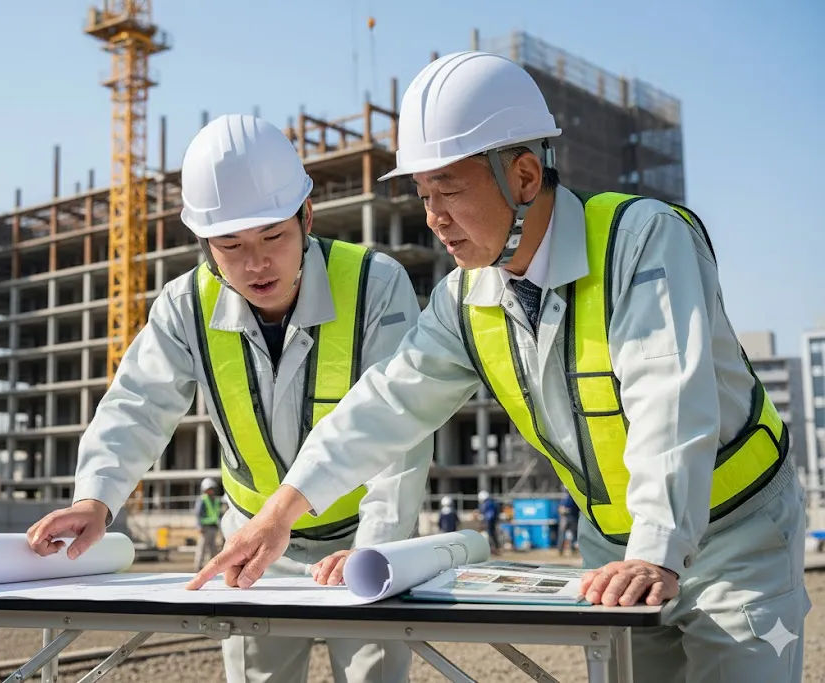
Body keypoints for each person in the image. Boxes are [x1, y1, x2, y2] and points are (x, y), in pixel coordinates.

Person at [188, 53, 810, 683]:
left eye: (450, 189)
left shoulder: (642, 241)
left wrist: (656, 552)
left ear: (524, 175)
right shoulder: (466, 298)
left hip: (737, 534)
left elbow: (669, 400)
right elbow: (383, 404)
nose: (434, 218)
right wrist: (279, 514)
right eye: (424, 194)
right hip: (612, 552)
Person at [26, 113, 431, 683]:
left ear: (306, 217)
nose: (256, 263)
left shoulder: (375, 284)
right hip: (252, 545)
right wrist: (96, 497)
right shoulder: (184, 306)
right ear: (205, 243)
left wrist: (376, 550)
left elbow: (400, 427)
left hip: (361, 537)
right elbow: (137, 405)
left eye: (273, 237)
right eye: (231, 245)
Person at [194, 477, 223, 571]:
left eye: (212, 489)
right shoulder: (202, 500)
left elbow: (218, 514)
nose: (211, 491)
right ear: (205, 489)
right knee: (202, 548)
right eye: (209, 489)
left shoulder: (215, 501)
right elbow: (198, 514)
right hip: (204, 528)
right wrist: (199, 526)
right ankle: (198, 568)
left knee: (213, 549)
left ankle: (210, 568)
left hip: (213, 527)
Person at [476, 490, 501, 554]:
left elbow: (489, 514)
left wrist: (485, 521)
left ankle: (493, 548)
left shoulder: (488, 503)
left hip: (490, 522)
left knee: (490, 534)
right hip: (492, 521)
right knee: (492, 534)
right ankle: (495, 547)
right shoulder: (491, 502)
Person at [556, 489, 580, 556]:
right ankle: (561, 550)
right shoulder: (566, 497)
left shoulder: (573, 497)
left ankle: (571, 549)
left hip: (572, 517)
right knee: (563, 534)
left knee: (573, 535)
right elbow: (561, 509)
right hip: (567, 518)